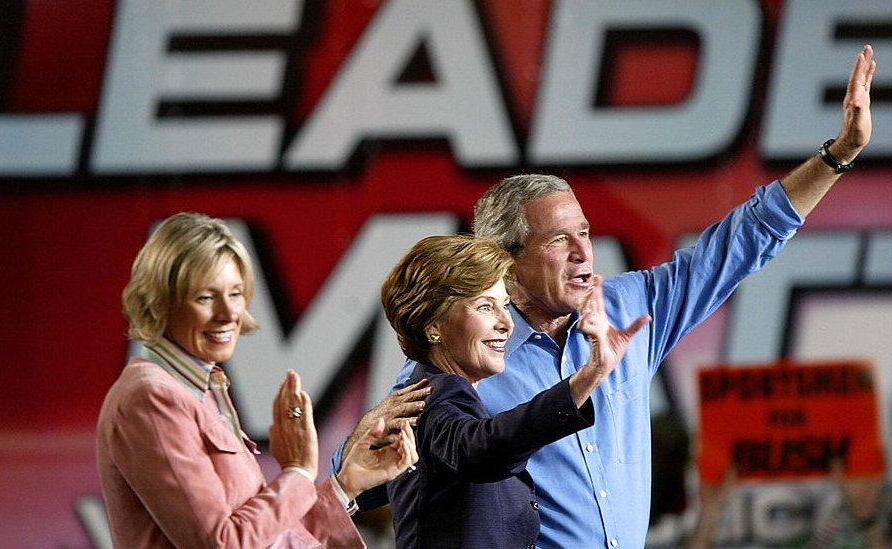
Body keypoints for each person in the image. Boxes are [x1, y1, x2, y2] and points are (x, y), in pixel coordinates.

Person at [336, 45, 877, 547]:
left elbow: (743, 241)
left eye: (586, 234)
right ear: (506, 258)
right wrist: (351, 462)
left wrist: (836, 157)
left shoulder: (628, 309)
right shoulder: (468, 361)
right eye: (557, 240)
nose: (583, 253)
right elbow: (370, 471)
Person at [96, 212, 419, 548]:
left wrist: (346, 484)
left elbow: (270, 538)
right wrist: (298, 473)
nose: (228, 313)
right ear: (160, 301)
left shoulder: (201, 391)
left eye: (235, 294)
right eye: (205, 297)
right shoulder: (151, 397)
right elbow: (222, 543)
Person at [379, 235, 648, 547]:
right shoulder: (433, 395)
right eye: (484, 306)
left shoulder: (441, 392)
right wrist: (590, 374)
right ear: (433, 326)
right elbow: (479, 448)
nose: (506, 323)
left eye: (504, 304)